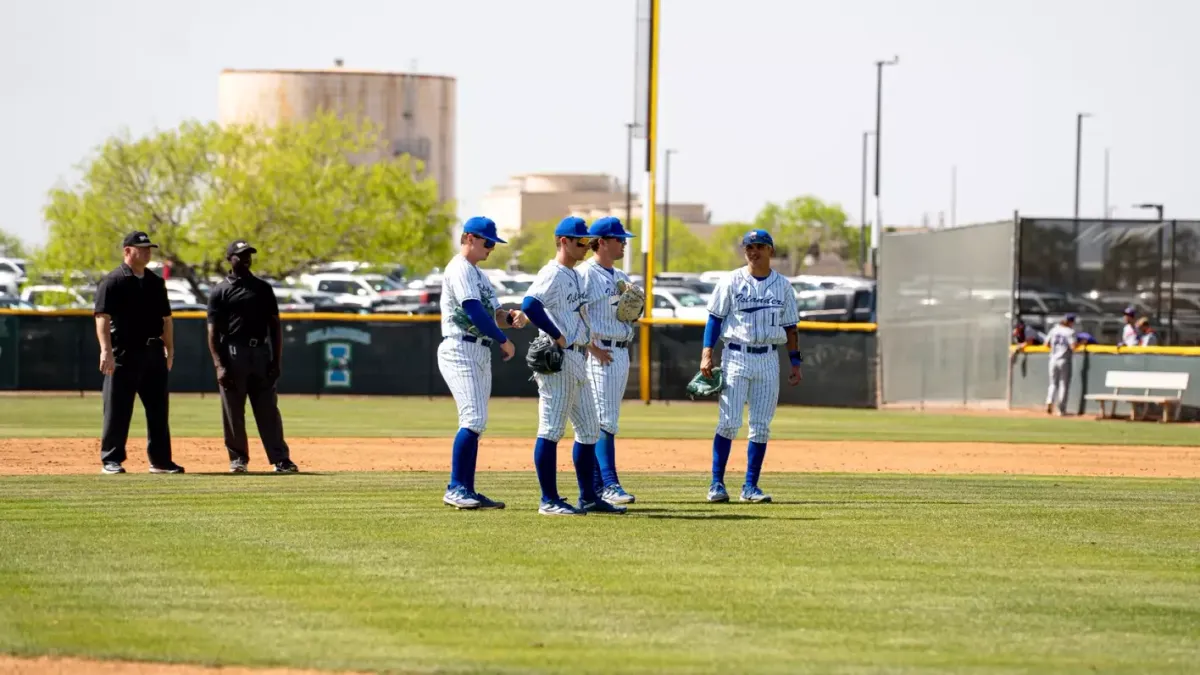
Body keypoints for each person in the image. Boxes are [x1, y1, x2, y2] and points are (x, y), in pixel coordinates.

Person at [521, 216, 626, 516]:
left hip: (579, 358)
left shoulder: (574, 275)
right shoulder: (553, 272)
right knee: (551, 429)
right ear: (563, 241)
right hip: (560, 360)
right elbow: (531, 304)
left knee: (591, 430)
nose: (585, 245)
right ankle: (548, 500)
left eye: (586, 240)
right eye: (580, 241)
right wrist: (556, 335)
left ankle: (588, 497)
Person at [699, 229, 802, 503]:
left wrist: (795, 362)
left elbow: (791, 327)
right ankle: (716, 484)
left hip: (768, 357)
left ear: (771, 250)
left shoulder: (783, 286)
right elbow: (714, 319)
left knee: (761, 426)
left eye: (759, 246)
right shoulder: (731, 281)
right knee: (729, 422)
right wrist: (707, 353)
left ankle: (750, 487)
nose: (753, 251)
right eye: (749, 247)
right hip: (736, 355)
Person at [437, 217, 528, 510]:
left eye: (493, 243)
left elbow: (493, 312)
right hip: (459, 347)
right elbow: (473, 310)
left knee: (477, 422)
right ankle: (456, 487)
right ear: (469, 238)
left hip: (478, 350)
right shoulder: (460, 269)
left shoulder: (480, 275)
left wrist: (509, 319)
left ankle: (467, 488)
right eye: (487, 242)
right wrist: (503, 339)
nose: (491, 248)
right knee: (473, 419)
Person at [93, 231, 184, 475]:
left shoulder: (155, 282)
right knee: (117, 408)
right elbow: (102, 317)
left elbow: (166, 319)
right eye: (141, 248)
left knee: (158, 409)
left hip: (153, 351)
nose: (146, 252)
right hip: (124, 351)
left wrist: (170, 349)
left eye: (148, 248)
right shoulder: (113, 281)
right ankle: (111, 459)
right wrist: (105, 351)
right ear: (127, 251)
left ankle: (160, 460)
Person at [206, 240, 298, 474]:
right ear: (229, 259)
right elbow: (213, 333)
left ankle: (281, 459)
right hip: (233, 354)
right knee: (233, 411)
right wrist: (219, 365)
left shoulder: (263, 289)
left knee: (268, 410)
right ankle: (238, 459)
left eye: (248, 255)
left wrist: (276, 361)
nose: (246, 258)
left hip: (260, 353)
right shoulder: (220, 291)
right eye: (240, 255)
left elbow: (275, 327)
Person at [578, 216, 638, 505]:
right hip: (600, 350)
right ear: (601, 242)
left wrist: (633, 308)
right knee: (603, 420)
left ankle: (599, 485)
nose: (624, 243)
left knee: (606, 420)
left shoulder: (619, 277)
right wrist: (590, 347)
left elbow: (625, 314)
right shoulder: (586, 274)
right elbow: (573, 312)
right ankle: (609, 484)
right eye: (619, 238)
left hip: (620, 351)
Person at [1044, 313, 1079, 416]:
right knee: (1063, 384)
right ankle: (1061, 409)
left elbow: (1046, 344)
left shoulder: (1054, 329)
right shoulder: (1070, 331)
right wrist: (1081, 343)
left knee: (1053, 383)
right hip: (1064, 359)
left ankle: (1049, 400)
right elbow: (1073, 347)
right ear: (1070, 322)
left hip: (1053, 359)